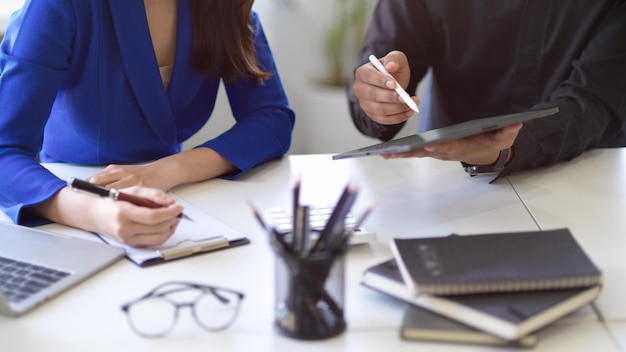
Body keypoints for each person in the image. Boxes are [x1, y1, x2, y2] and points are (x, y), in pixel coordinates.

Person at [0, 0, 295, 247]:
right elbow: (5, 149)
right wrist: (95, 213)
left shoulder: (222, 6)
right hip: (67, 208)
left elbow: (272, 118)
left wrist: (168, 170)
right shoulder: (59, 5)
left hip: (174, 203)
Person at [348, 0, 626, 178]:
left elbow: (595, 102)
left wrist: (509, 148)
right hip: (450, 183)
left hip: (582, 181)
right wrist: (379, 98)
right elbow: (380, 73)